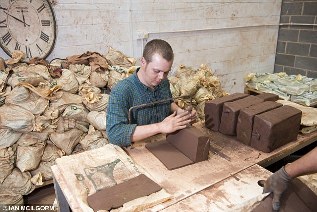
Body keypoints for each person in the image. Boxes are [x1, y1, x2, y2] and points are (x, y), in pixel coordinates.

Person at [106, 39, 196, 147]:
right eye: (156, 71)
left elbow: (167, 102)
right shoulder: (122, 91)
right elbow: (115, 134)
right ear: (143, 62)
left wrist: (179, 112)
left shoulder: (163, 83)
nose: (161, 77)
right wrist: (160, 127)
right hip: (139, 149)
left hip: (163, 142)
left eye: (166, 72)